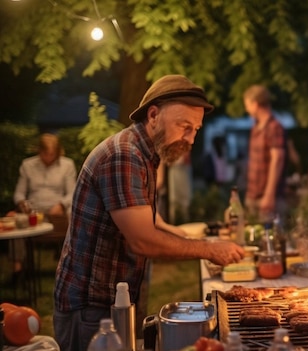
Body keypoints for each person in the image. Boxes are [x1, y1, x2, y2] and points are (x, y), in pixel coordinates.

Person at [53, 74, 245, 351]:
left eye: (195, 130)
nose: (190, 139)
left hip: (111, 301)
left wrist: (181, 233)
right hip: (90, 309)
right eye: (184, 126)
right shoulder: (125, 155)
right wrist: (209, 249)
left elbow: (143, 216)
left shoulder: (144, 155)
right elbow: (143, 240)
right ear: (153, 114)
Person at [10, 133, 76, 279]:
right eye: (46, 153)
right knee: (17, 219)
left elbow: (72, 193)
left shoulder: (67, 165)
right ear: (39, 151)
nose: (49, 157)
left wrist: (61, 204)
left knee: (73, 212)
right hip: (34, 208)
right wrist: (23, 204)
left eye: (52, 154)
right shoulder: (28, 165)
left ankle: (72, 263)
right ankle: (18, 269)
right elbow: (19, 193)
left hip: (57, 207)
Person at [242, 84, 286, 223]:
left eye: (247, 105)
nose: (246, 109)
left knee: (269, 238)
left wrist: (269, 194)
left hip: (265, 196)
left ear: (255, 104)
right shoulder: (256, 126)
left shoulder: (274, 127)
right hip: (253, 194)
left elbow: (277, 159)